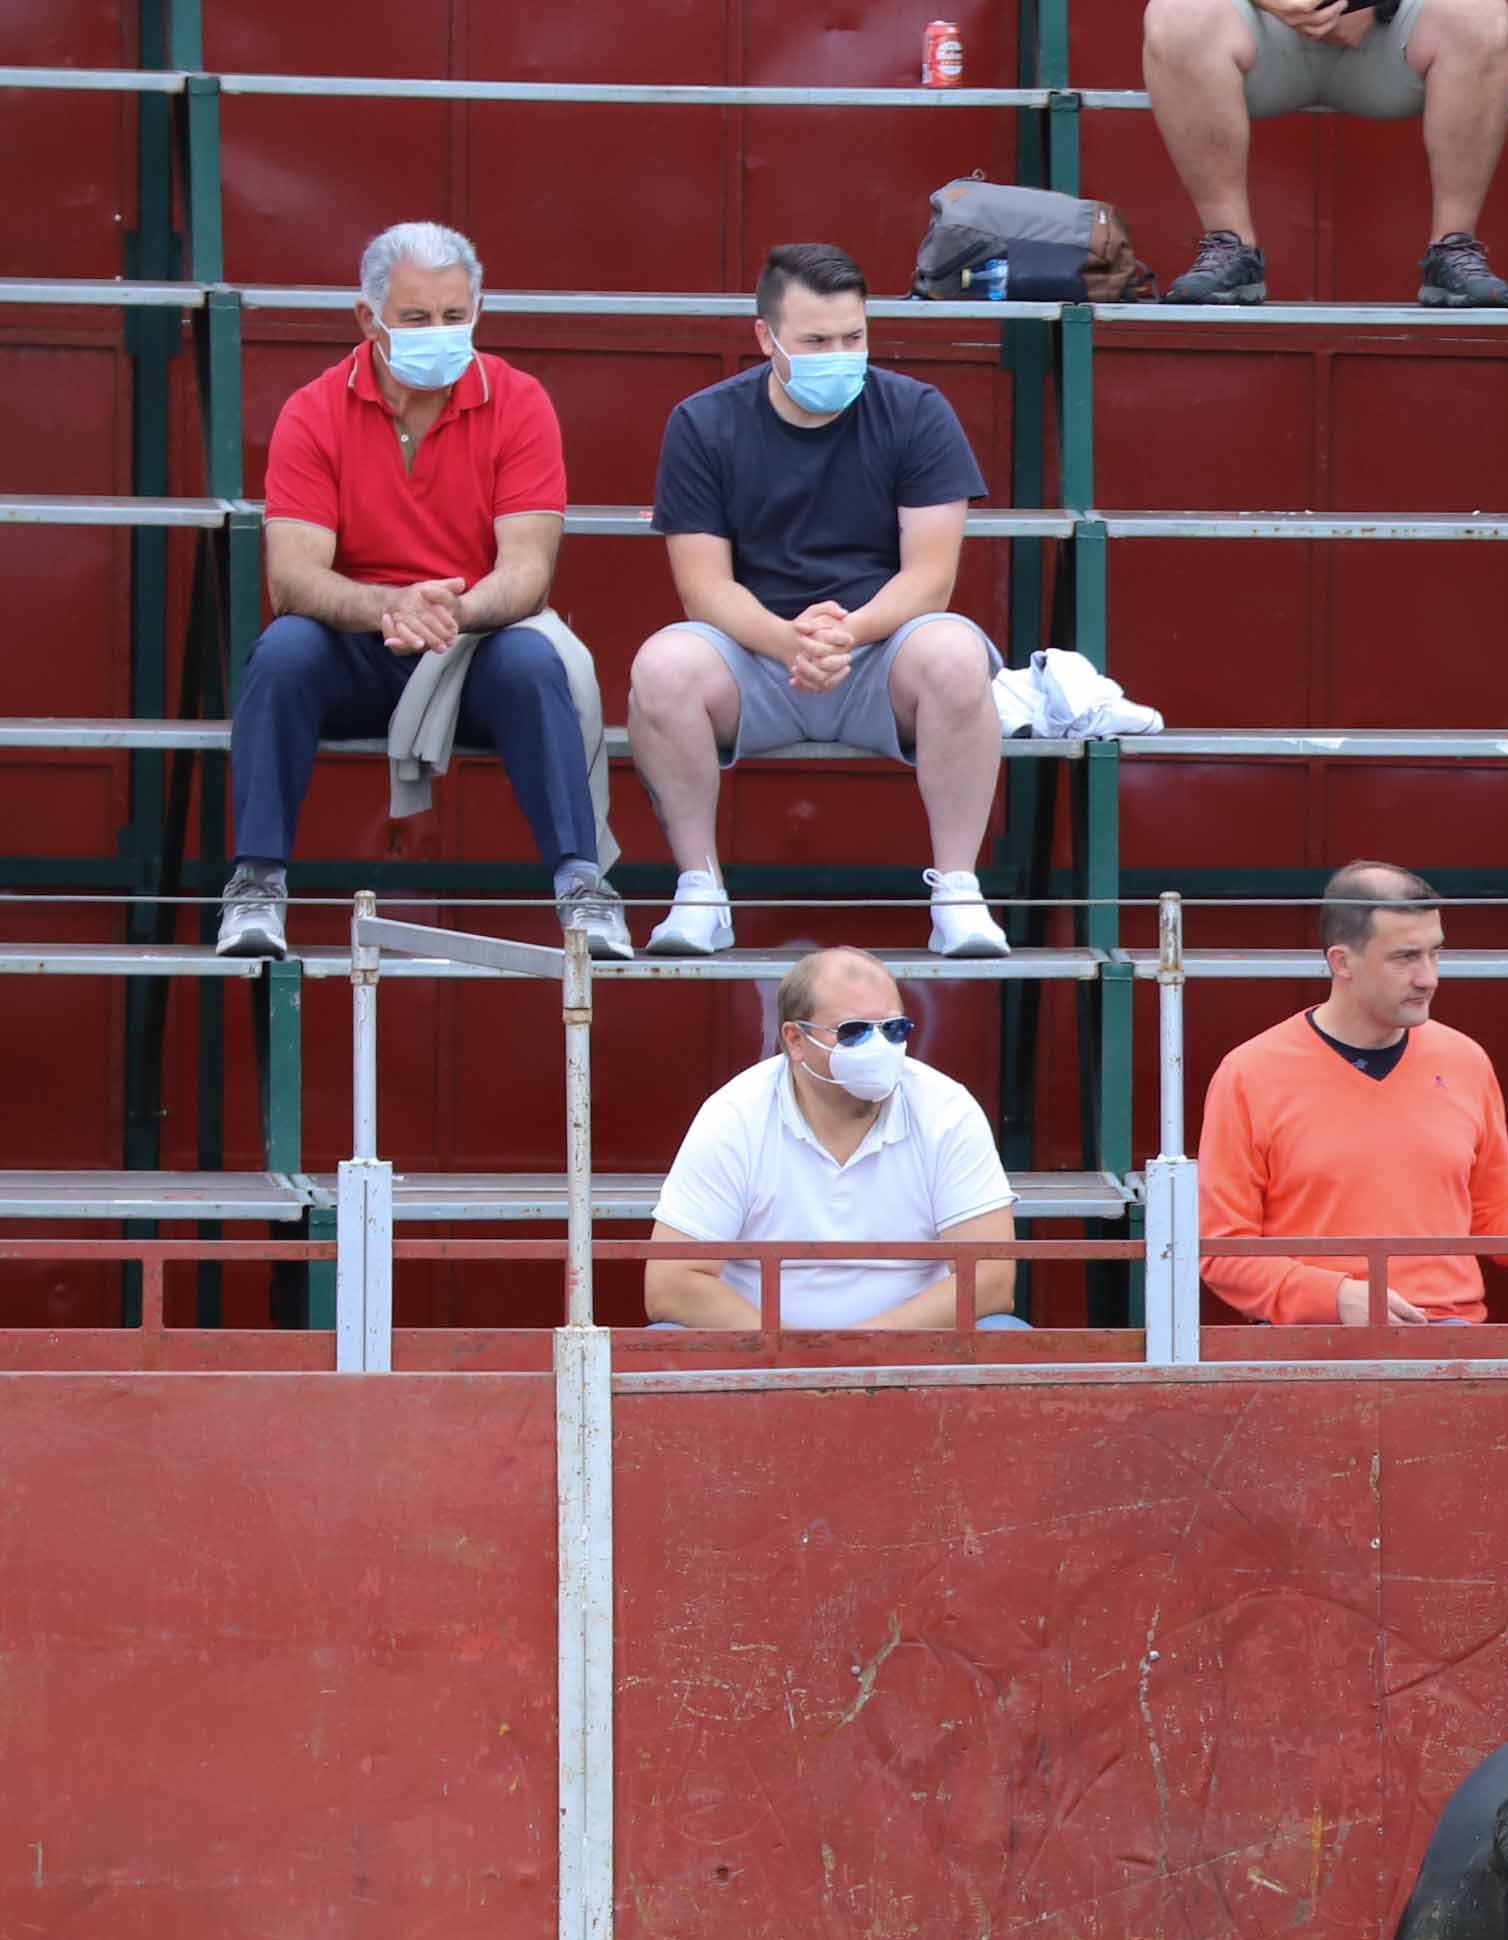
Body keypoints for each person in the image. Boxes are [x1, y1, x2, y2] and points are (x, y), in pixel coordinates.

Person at [214, 223, 620, 960]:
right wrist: (389, 607)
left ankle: (583, 886)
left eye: (455, 315)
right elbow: (293, 577)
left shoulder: (521, 402)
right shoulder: (312, 410)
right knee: (282, 652)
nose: (440, 333)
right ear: (368, 319)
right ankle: (256, 883)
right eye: (416, 319)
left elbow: (528, 570)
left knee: (536, 664)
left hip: (474, 647)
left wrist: (453, 614)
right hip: (357, 646)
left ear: (479, 308)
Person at [628, 245, 1010, 966]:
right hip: (754, 657)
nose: (840, 354)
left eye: (853, 336)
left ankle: (958, 892)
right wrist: (785, 643)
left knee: (956, 651)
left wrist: (848, 634)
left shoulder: (917, 412)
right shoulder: (703, 423)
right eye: (815, 341)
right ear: (765, 338)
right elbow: (701, 587)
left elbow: (931, 579)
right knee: (662, 666)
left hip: (881, 652)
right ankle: (700, 890)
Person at [1197, 864, 1508, 1326]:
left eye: (1435, 953)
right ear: (1342, 962)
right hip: (1312, 1349)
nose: (1428, 978)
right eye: (1405, 957)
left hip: (1451, 1344)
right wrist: (1334, 1297)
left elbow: (1492, 1209)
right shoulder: (1250, 1074)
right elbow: (1221, 1251)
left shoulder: (1465, 1060)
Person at [645, 947, 1023, 1332]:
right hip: (757, 1359)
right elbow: (671, 1285)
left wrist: (859, 1351)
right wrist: (798, 1356)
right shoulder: (734, 1115)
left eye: (894, 1029)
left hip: (917, 1353)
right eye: (854, 1031)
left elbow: (991, 1279)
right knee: (664, 1342)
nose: (879, 1048)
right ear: (794, 1039)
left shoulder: (946, 1109)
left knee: (1006, 1335)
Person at [1141, 0, 1508, 308]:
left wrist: (1376, 3)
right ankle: (1229, 245)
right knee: (1176, 15)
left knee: (1479, 13)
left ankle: (1453, 246)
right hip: (1261, 31)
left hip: (1386, 35)